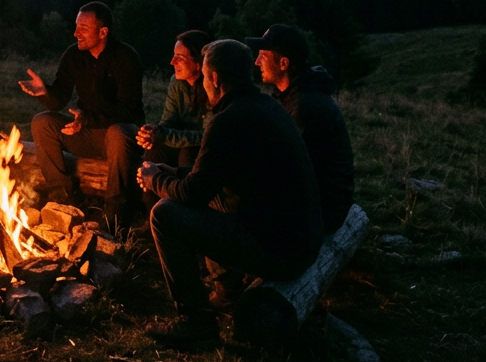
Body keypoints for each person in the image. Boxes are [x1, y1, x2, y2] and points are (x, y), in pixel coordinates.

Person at [138, 39, 324, 345]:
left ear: (214, 78)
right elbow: (210, 180)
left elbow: (194, 195)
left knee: (164, 214)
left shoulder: (227, 120)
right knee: (205, 199)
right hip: (301, 240)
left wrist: (154, 180)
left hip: (282, 253)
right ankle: (226, 292)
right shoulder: (265, 106)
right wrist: (170, 173)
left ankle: (195, 322)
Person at [20, 1, 144, 220]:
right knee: (42, 122)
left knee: (117, 133)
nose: (76, 33)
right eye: (76, 27)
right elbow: (59, 98)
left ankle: (115, 215)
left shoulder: (126, 57)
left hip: (120, 135)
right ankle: (64, 199)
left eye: (83, 29)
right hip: (86, 132)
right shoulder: (73, 55)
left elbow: (128, 110)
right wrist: (44, 92)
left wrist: (87, 119)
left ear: (103, 32)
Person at [245, 24, 355, 234]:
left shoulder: (305, 107)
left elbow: (288, 171)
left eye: (262, 56)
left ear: (284, 63)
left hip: (324, 212)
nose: (256, 62)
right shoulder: (294, 95)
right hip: (321, 201)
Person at [137, 30, 213, 168]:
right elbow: (169, 121)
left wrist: (165, 135)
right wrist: (153, 133)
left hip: (207, 151)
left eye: (180, 58)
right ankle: (148, 185)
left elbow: (207, 137)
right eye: (174, 56)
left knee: (188, 153)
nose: (172, 62)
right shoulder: (177, 82)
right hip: (181, 144)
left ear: (199, 64)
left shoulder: (213, 88)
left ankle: (186, 189)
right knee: (155, 152)